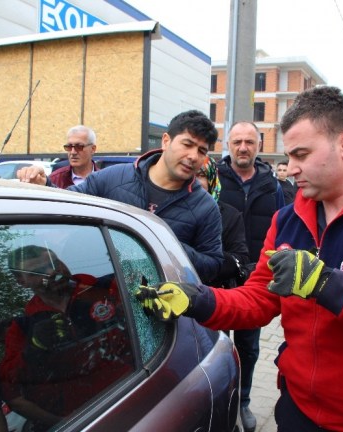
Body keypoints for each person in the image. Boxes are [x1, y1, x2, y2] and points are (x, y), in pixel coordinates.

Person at [136, 86, 343, 431]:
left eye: (301, 155)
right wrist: (199, 300)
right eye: (289, 157)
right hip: (298, 409)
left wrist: (324, 283)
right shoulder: (287, 219)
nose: (290, 169)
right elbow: (260, 298)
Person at [68, 110, 223, 283]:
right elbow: (65, 203)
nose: (193, 156)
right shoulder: (112, 178)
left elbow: (213, 266)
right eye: (187, 144)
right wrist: (44, 184)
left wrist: (172, 248)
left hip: (160, 305)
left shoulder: (205, 207)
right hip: (100, 291)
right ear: (166, 141)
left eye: (202, 151)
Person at [0, 245, 133, 430]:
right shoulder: (23, 327)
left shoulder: (107, 288)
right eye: (38, 271)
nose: (53, 272)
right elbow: (10, 387)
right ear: (22, 281)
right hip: (86, 420)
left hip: (134, 394)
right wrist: (35, 348)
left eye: (55, 263)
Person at [217, 121, 284, 431]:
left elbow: (283, 227)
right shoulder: (214, 178)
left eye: (249, 142)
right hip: (217, 278)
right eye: (237, 142)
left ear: (259, 144)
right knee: (215, 346)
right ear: (227, 144)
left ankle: (242, 401)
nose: (242, 147)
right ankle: (220, 402)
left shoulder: (272, 184)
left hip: (255, 282)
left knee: (249, 347)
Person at [195, 156, 250, 288]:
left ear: (211, 179)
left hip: (214, 294)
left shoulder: (230, 215)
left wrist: (207, 258)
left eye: (201, 175)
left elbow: (241, 257)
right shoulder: (171, 209)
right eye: (190, 175)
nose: (195, 181)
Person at [17, 125, 99, 188]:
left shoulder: (105, 180)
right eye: (69, 147)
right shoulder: (55, 179)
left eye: (79, 147)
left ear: (93, 149)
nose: (73, 152)